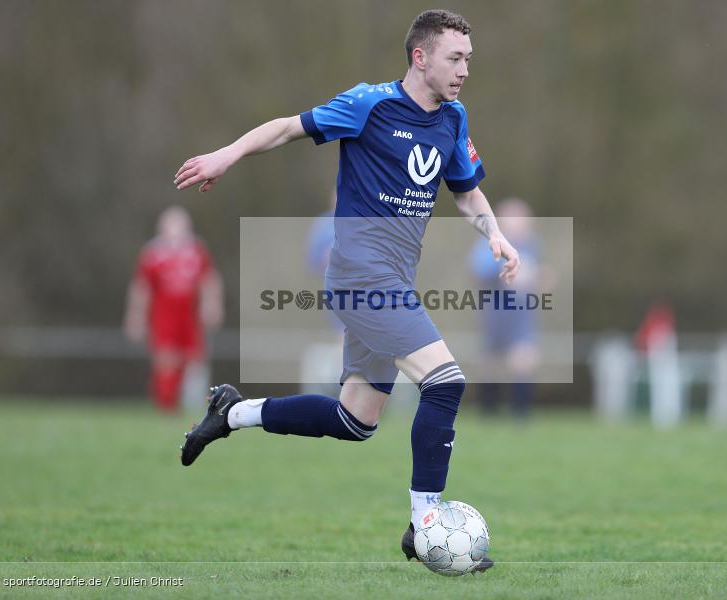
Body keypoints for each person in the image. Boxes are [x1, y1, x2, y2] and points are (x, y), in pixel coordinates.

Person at [173, 10, 518, 572]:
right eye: (455, 58)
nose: (463, 71)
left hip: (393, 280)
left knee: (355, 420)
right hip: (361, 275)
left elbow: (467, 192)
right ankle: (426, 524)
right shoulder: (369, 104)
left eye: (468, 60)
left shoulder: (453, 119)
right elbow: (287, 126)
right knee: (446, 382)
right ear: (420, 57)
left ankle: (232, 412)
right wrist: (226, 155)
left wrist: (495, 232)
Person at [123, 206, 224, 413]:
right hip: (164, 317)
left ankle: (196, 406)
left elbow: (209, 280)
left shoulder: (196, 250)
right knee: (167, 362)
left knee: (195, 361)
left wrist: (212, 305)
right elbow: (141, 288)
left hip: (189, 317)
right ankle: (167, 406)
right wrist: (136, 317)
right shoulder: (152, 254)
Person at [470, 198, 542, 418]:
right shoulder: (488, 244)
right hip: (495, 310)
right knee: (491, 361)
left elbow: (538, 274)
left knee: (523, 359)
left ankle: (520, 416)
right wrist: (502, 270)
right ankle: (488, 414)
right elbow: (478, 269)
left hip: (522, 314)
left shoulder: (532, 245)